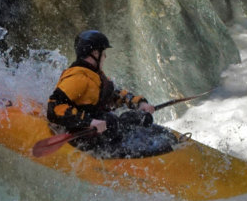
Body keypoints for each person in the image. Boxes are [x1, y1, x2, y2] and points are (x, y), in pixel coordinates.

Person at [47, 30, 173, 158]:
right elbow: (54, 107)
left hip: (103, 133)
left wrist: (140, 103)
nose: (105, 57)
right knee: (111, 120)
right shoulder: (77, 77)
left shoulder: (94, 75)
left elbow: (116, 95)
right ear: (95, 53)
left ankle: (156, 143)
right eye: (104, 53)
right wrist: (89, 121)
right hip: (84, 137)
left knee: (140, 118)